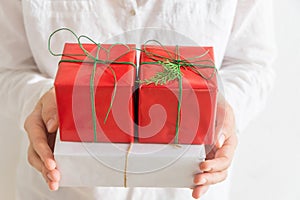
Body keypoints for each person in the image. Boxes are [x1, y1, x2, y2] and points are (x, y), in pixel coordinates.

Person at [0, 0, 276, 199]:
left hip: (191, 186)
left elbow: (252, 64)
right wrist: (38, 100)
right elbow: (9, 68)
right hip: (61, 189)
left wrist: (225, 110)